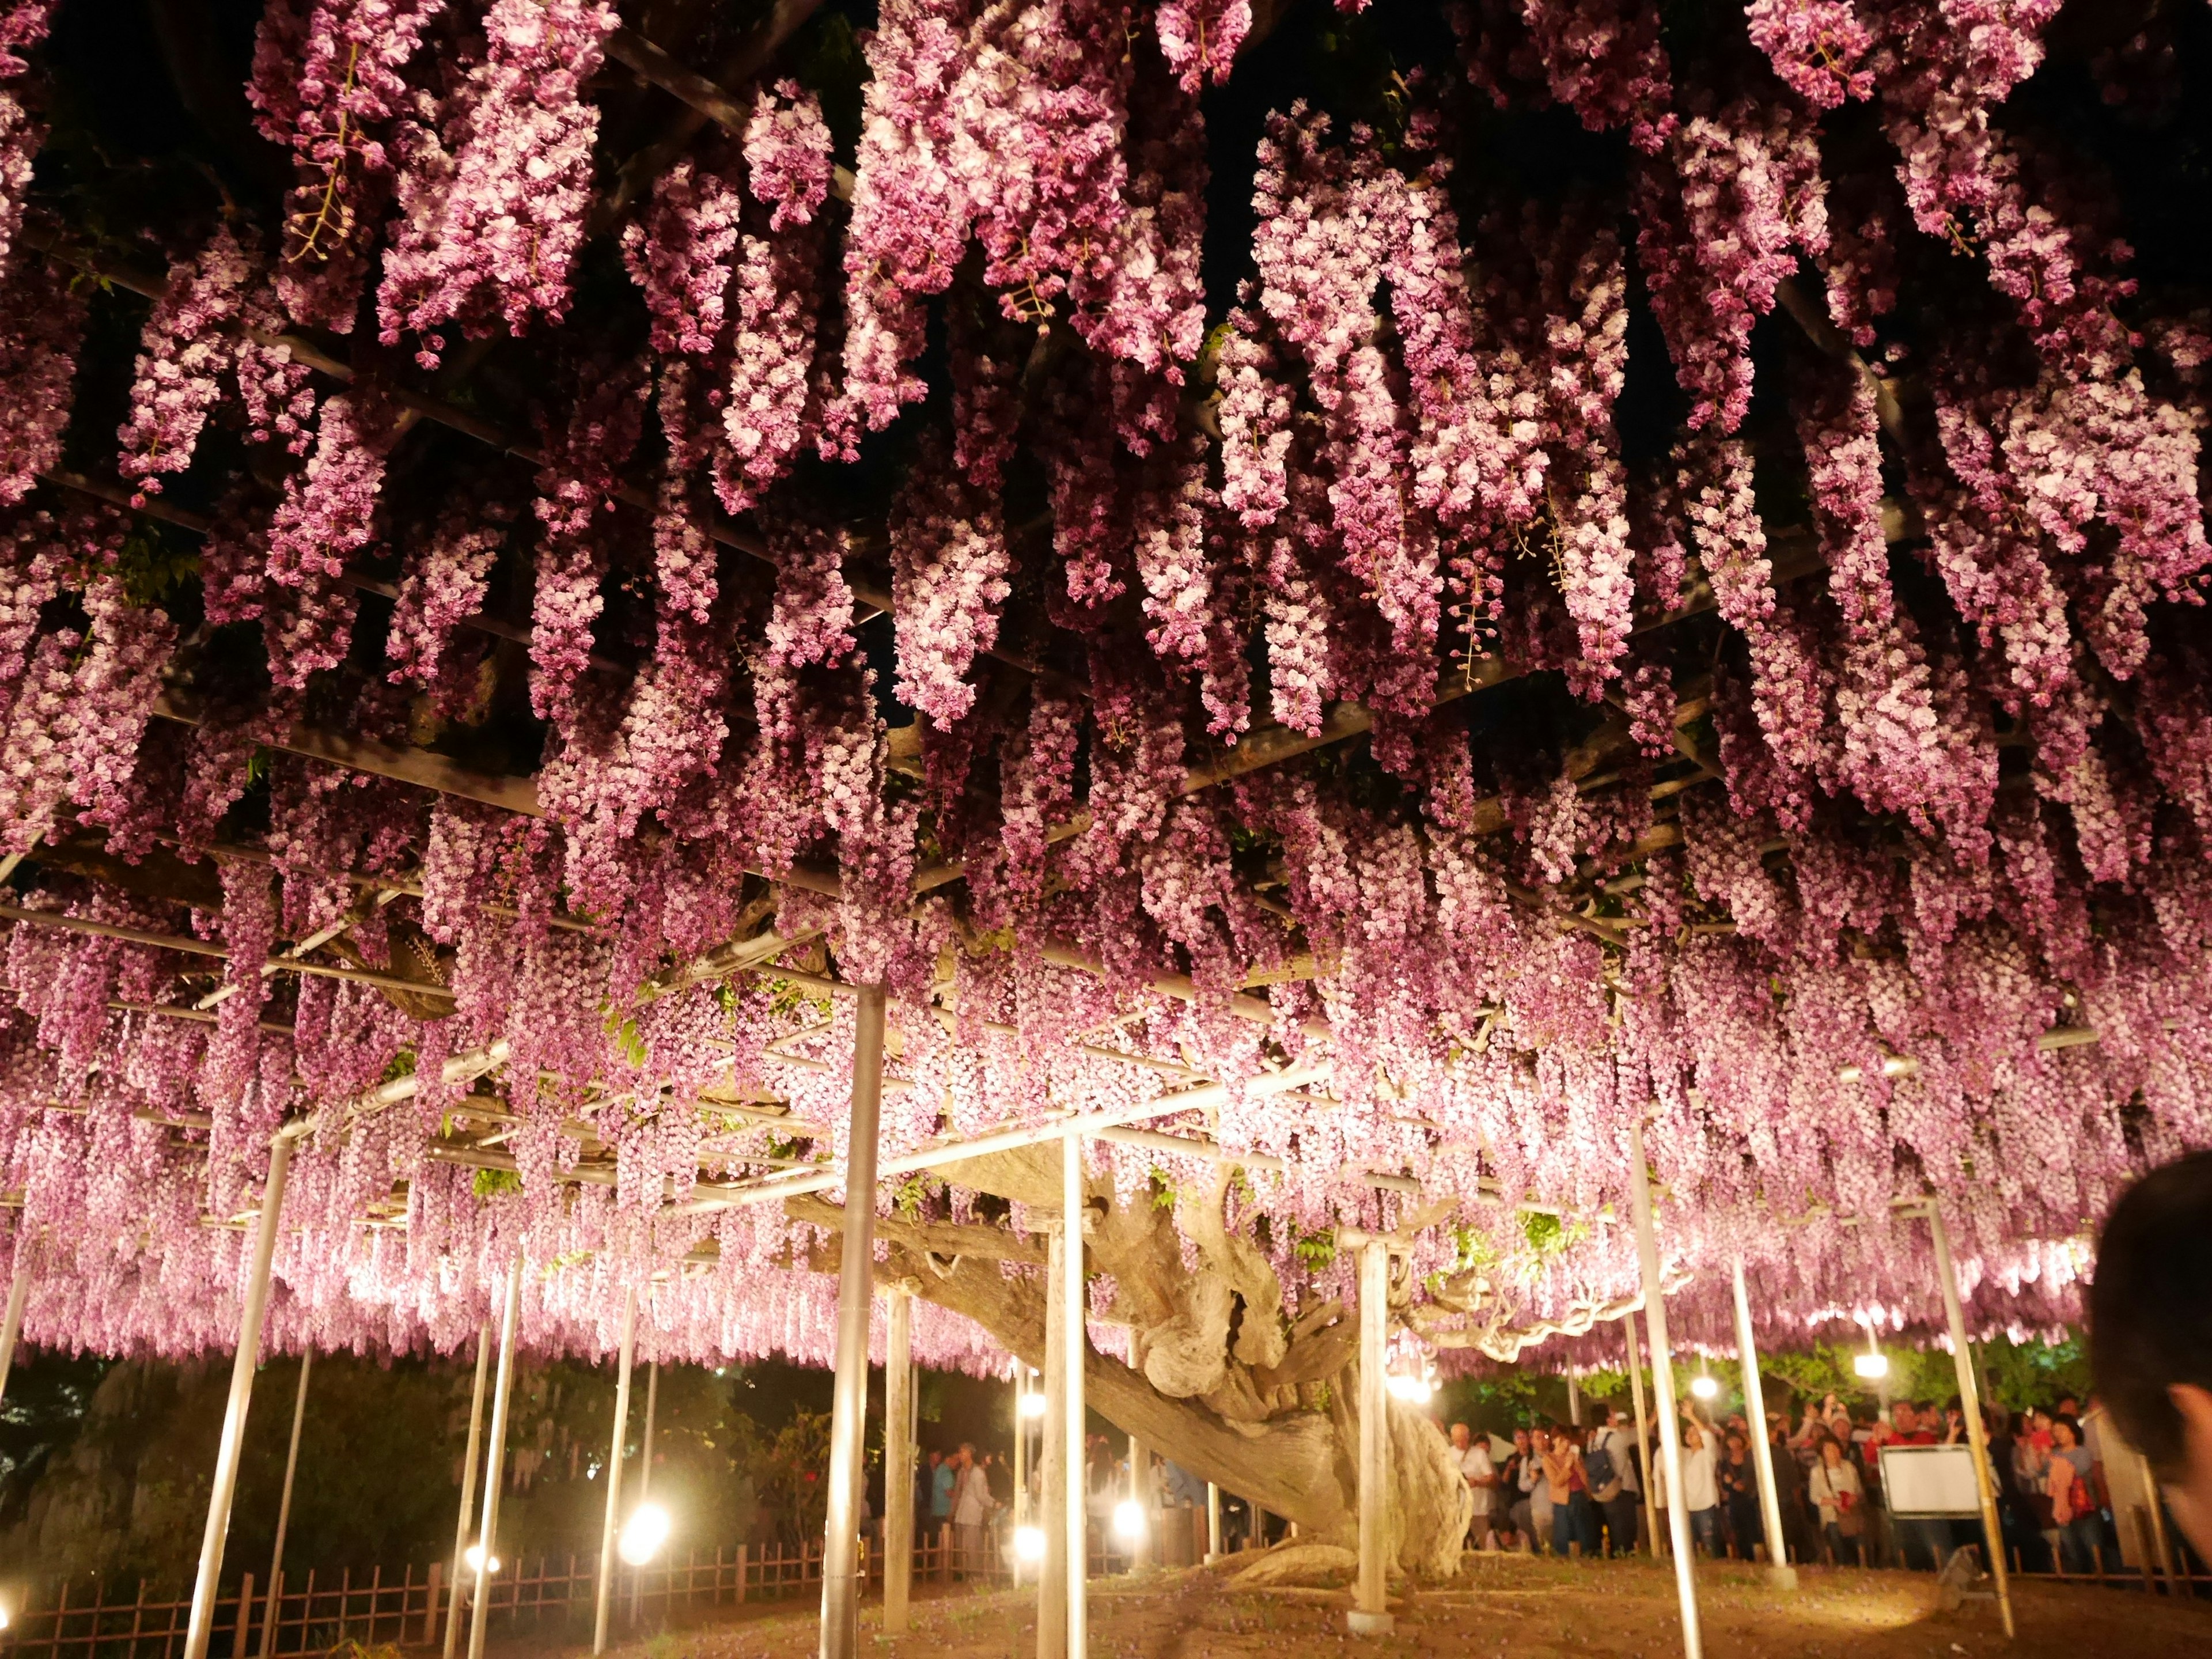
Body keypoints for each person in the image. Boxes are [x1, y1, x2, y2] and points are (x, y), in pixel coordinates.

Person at [1655, 1420, 1721, 1556]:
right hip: (1686, 1507)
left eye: (1694, 1433)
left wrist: (1692, 1416)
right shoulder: (1683, 1454)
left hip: (1706, 1506)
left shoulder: (1708, 1454)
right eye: (1688, 1433)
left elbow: (1709, 1438)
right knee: (1689, 1549)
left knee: (1711, 1547)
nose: (1690, 1436)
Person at [2048, 1417, 2100, 1573]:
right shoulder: (2054, 1454)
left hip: (2084, 1507)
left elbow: (2076, 1471)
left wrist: (2055, 1464)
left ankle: (2104, 1579)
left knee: (2094, 1546)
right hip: (2062, 1507)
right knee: (2072, 1548)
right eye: (2055, 1430)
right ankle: (2083, 1580)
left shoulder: (2082, 1452)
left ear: (2073, 1432)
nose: (2058, 1434)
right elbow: (2041, 1472)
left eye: (2062, 1429)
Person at [1807, 1435, 1866, 1566]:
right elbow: (1814, 1497)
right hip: (1832, 1519)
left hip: (1852, 1516)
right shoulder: (1817, 1472)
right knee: (1840, 1554)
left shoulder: (1849, 1467)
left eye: (1835, 1448)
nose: (1832, 1452)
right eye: (1828, 1449)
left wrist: (1854, 1498)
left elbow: (1859, 1491)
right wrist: (1835, 1502)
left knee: (1859, 1552)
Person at [1590, 1406, 1641, 1557]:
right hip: (1621, 1489)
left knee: (1614, 1529)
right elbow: (1640, 1433)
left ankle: (1616, 1558)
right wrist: (1656, 1415)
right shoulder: (1616, 1438)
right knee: (1626, 1532)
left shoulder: (1593, 1441)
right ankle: (1625, 1559)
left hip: (1605, 1491)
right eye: (1613, 1415)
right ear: (1609, 1420)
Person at [1543, 1425, 1598, 1558]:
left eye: (1568, 1440)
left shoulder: (1575, 1457)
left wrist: (1578, 1465)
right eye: (1562, 1441)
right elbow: (1556, 1482)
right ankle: (1564, 1559)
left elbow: (1586, 1480)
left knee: (1584, 1533)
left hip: (1580, 1497)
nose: (1565, 1444)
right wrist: (1567, 1467)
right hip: (1562, 1502)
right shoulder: (1548, 1459)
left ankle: (1588, 1557)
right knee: (1564, 1535)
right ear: (1554, 1441)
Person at [1450, 1422, 1498, 1550]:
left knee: (1485, 1543)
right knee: (1457, 1544)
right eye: (1457, 1441)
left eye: (1463, 1440)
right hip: (1457, 1507)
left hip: (1478, 1508)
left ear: (1468, 1437)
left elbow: (1490, 1477)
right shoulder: (1448, 1454)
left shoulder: (1479, 1454)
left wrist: (1477, 1482)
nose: (1460, 1444)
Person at [1718, 1430, 1763, 1561]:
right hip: (1735, 1502)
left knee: (1755, 1531)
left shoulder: (1750, 1457)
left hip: (1751, 1499)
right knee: (1739, 1532)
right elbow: (1724, 1484)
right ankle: (1745, 1559)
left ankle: (1760, 1559)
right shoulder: (1725, 1463)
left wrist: (1745, 1485)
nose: (1734, 1443)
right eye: (1731, 1440)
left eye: (1736, 1439)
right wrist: (1731, 1484)